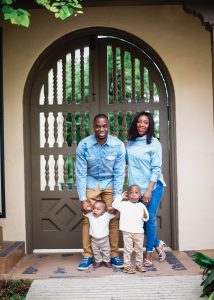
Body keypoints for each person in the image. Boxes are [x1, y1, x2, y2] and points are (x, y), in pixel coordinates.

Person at [76, 113, 126, 270]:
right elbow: (80, 173)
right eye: (98, 126)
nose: (101, 128)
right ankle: (88, 256)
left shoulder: (118, 146)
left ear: (108, 127)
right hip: (91, 184)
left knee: (113, 218)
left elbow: (119, 174)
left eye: (104, 126)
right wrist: (83, 198)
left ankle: (113, 255)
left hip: (110, 184)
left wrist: (117, 201)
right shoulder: (84, 146)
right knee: (87, 218)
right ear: (94, 127)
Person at [126, 111, 166, 267]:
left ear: (150, 126)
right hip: (136, 189)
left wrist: (149, 190)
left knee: (149, 220)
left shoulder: (154, 143)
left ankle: (148, 254)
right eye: (139, 121)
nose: (142, 125)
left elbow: (156, 168)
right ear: (135, 123)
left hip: (153, 187)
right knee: (139, 221)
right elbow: (128, 164)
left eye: (146, 122)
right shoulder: (131, 142)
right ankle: (158, 244)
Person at [112, 184, 149, 274]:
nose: (133, 195)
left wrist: (144, 215)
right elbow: (114, 204)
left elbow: (146, 218)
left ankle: (139, 265)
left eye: (136, 193)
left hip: (139, 232)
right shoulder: (124, 204)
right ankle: (127, 266)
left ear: (140, 195)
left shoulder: (141, 206)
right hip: (127, 231)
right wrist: (121, 196)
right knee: (128, 249)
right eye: (131, 193)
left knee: (139, 249)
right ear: (127, 194)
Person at [83, 200, 115, 268]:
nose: (95, 210)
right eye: (94, 208)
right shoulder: (90, 215)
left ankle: (107, 261)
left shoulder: (107, 215)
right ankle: (98, 261)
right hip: (94, 239)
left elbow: (115, 213)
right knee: (96, 251)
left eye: (98, 209)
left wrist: (113, 208)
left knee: (106, 250)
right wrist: (87, 209)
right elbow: (84, 211)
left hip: (104, 239)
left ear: (103, 211)